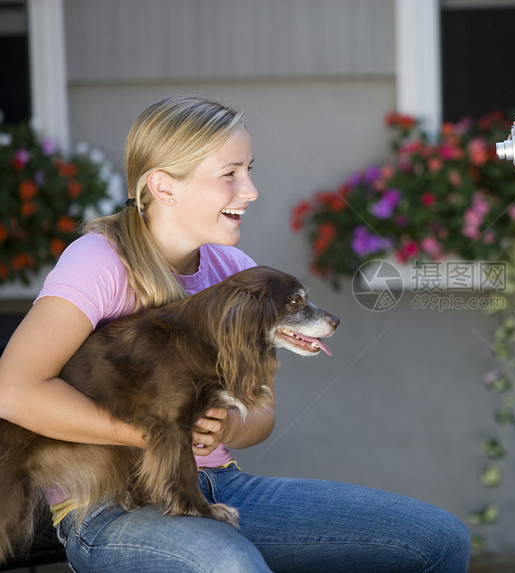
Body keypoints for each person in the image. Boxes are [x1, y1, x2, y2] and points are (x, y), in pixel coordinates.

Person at [0, 96, 471, 573]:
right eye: (230, 174)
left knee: (437, 541)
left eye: (249, 170)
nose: (250, 190)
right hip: (109, 505)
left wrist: (227, 426)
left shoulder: (236, 273)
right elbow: (14, 390)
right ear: (164, 186)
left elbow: (262, 412)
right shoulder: (99, 262)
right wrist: (158, 435)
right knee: (231, 563)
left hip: (219, 485)